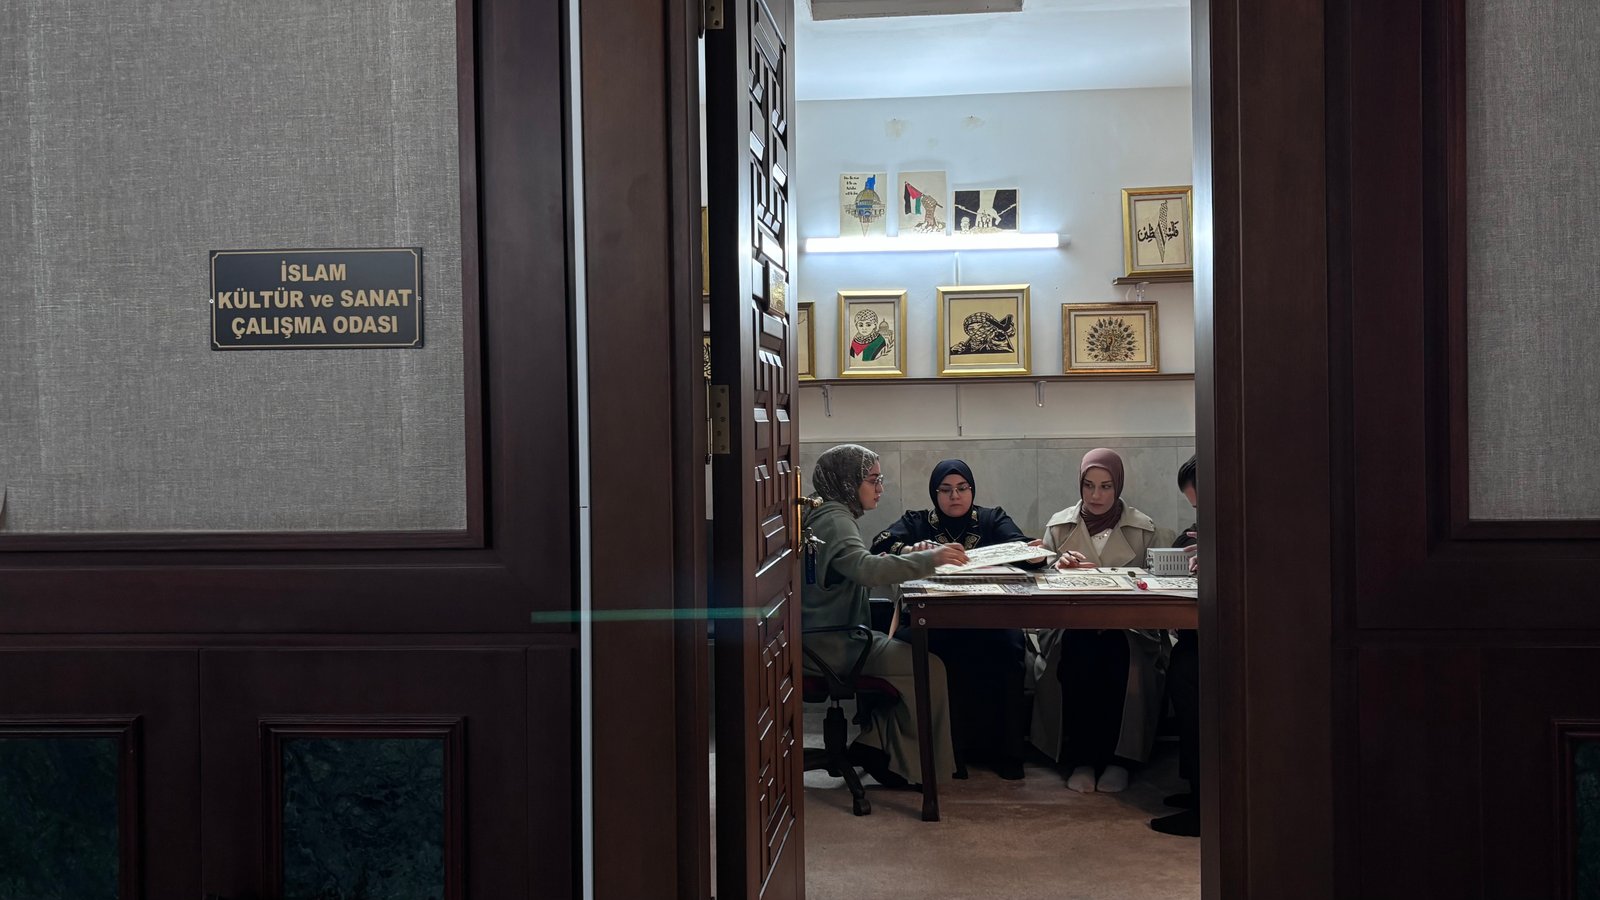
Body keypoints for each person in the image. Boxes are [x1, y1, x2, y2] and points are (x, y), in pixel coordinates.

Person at [801, 444, 967, 788]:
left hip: (822, 635)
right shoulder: (835, 520)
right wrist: (932, 559)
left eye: (881, 479)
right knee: (930, 668)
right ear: (848, 482)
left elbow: (850, 568)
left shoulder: (821, 510)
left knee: (919, 658)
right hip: (832, 645)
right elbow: (866, 570)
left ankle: (876, 744)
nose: (880, 488)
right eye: (872, 480)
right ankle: (906, 765)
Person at [871, 459, 1032, 779]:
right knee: (932, 650)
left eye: (962, 488)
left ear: (972, 490)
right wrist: (910, 550)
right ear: (935, 493)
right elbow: (879, 545)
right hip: (933, 620)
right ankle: (949, 754)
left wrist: (1034, 551)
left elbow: (1020, 546)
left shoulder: (991, 519)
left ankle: (1005, 752)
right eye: (945, 490)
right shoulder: (917, 522)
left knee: (1009, 646)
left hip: (987, 619)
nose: (954, 496)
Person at [1030, 448, 1175, 793]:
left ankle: (1118, 760)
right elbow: (1039, 588)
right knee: (1079, 650)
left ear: (1118, 486)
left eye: (1106, 486)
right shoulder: (1059, 526)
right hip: (1071, 627)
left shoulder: (1144, 529)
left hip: (1130, 630)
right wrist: (1057, 568)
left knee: (1117, 652)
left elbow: (1159, 588)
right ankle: (1082, 758)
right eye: (1089, 485)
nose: (1096, 495)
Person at [1152, 454, 1201, 837]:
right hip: (1196, 637)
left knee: (1194, 685)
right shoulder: (1200, 532)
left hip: (1228, 642)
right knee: (1182, 673)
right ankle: (1197, 790)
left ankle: (1206, 805)